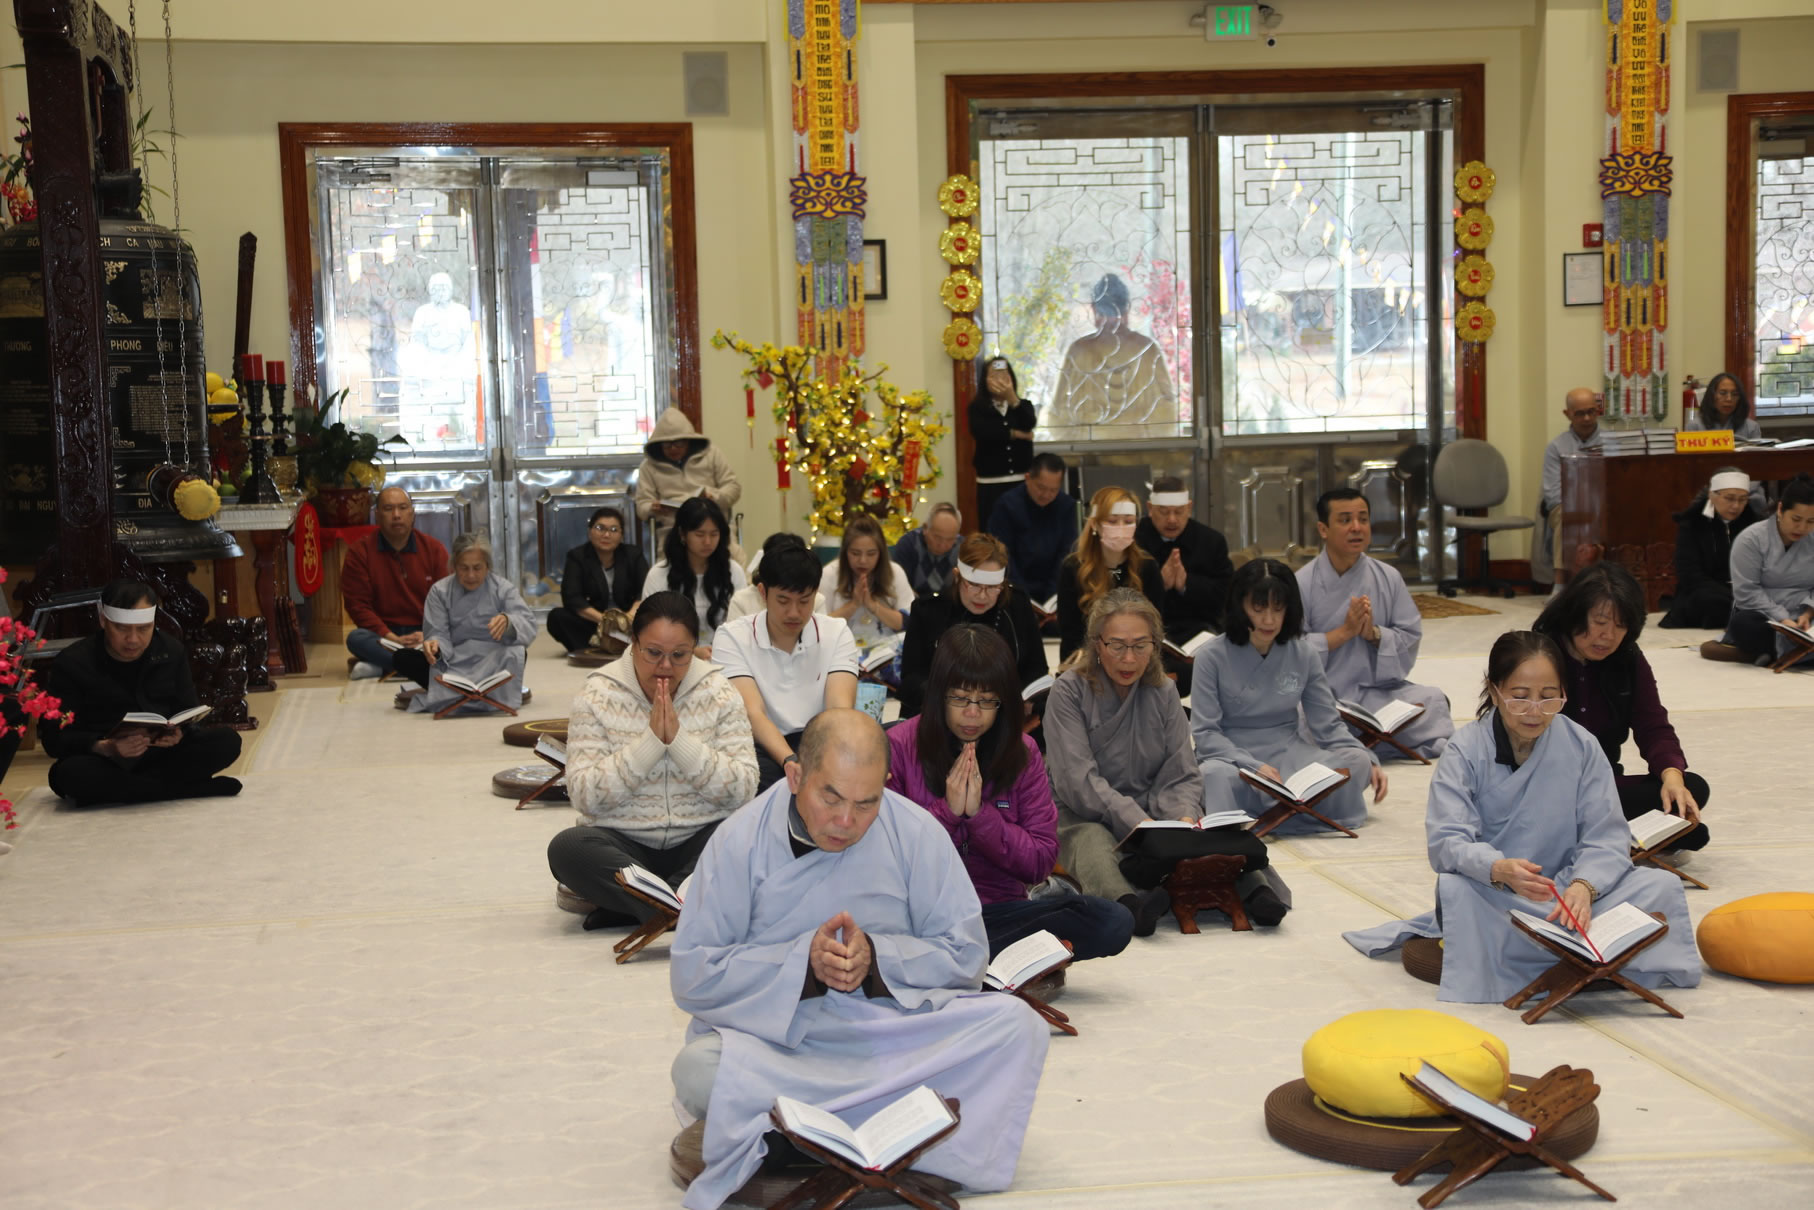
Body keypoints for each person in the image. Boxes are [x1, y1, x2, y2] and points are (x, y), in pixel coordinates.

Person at [668, 710, 1049, 1210]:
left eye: (866, 803)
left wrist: (879, 960)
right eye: (831, 798)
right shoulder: (739, 841)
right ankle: (903, 1131)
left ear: (886, 785)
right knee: (698, 1071)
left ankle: (797, 1133)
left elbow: (966, 956)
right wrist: (802, 965)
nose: (846, 821)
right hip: (785, 1044)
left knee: (1017, 1025)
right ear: (795, 776)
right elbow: (694, 974)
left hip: (890, 1035)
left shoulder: (917, 832)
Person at [1342, 631, 1702, 1005]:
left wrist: (1585, 885)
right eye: (1520, 696)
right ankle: (1592, 955)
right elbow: (1447, 842)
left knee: (1659, 886)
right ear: (1495, 690)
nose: (1535, 710)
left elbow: (1607, 836)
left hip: (1571, 892)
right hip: (1500, 894)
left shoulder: (1582, 746)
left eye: (1549, 697)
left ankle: (1542, 954)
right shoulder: (1465, 750)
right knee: (1457, 891)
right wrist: (1498, 868)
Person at [1046, 590, 1290, 934]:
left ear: (1155, 645)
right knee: (1092, 843)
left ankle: (1256, 893)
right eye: (1117, 646)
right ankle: (1129, 906)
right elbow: (1077, 780)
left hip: (1153, 805)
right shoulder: (1069, 692)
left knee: (1208, 833)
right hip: (1083, 810)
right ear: (1097, 644)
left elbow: (1181, 770)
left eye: (1140, 645)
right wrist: (1138, 822)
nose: (1129, 658)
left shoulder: (1162, 690)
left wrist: (1182, 817)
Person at [887, 624, 1134, 961]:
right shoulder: (899, 747)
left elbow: (1039, 863)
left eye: (987, 701)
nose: (973, 713)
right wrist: (948, 813)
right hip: (922, 916)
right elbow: (890, 861)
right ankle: (986, 959)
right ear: (938, 694)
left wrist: (980, 817)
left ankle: (964, 958)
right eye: (960, 698)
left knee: (1111, 920)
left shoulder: (1023, 753)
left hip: (999, 914)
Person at [547, 591, 758, 933]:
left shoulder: (719, 692)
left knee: (749, 836)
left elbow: (744, 788)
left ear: (695, 648)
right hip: (622, 843)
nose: (665, 667)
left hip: (699, 840)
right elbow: (583, 794)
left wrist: (680, 742)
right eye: (654, 653)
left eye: (679, 655)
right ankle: (682, 903)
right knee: (567, 849)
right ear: (633, 644)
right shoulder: (597, 694)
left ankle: (642, 906)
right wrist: (650, 745)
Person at [1192, 559, 1385, 833]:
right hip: (1233, 757)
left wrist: (1367, 757)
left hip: (1291, 753)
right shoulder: (1210, 656)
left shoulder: (1304, 653)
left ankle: (1277, 814)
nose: (1269, 620)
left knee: (1357, 762)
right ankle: (1296, 812)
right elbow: (1206, 734)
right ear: (1239, 606)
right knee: (1211, 775)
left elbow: (1328, 725)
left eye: (1278, 608)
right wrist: (1254, 767)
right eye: (1258, 609)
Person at [1534, 563, 1711, 851]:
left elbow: (1653, 725)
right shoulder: (1538, 653)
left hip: (1604, 787)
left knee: (1692, 788)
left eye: (1620, 626)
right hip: (1543, 788)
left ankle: (1596, 832)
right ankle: (1627, 835)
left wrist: (1672, 776)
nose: (1609, 636)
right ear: (1574, 613)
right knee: (1690, 832)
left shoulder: (1628, 658)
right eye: (1600, 622)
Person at [39, 580, 242, 807]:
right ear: (103, 620)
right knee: (70, 774)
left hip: (162, 757)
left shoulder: (171, 650)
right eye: (122, 628)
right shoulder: (73, 662)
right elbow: (53, 738)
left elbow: (187, 714)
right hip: (107, 761)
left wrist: (178, 734)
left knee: (227, 741)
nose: (133, 639)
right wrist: (105, 746)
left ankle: (135, 790)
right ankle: (187, 790)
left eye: (144, 628)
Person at [1297, 488, 1454, 759]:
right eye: (1345, 520)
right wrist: (1343, 633)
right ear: (1323, 529)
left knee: (1433, 700)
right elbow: (1288, 650)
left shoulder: (1388, 577)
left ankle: (1353, 743)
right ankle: (1378, 741)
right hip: (1324, 697)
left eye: (1363, 519)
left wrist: (1375, 634)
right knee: (1296, 719)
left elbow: (1410, 634)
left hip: (1377, 693)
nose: (1356, 528)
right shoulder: (1301, 582)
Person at [712, 545, 859, 791]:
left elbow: (840, 709)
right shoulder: (732, 637)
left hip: (820, 740)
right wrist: (791, 761)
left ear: (816, 594)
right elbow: (752, 713)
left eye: (804, 601)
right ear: (763, 592)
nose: (794, 612)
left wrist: (821, 761)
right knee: (760, 779)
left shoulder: (836, 632)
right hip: (760, 743)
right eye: (783, 600)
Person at [899, 534, 1049, 720]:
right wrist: (949, 698)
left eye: (992, 587)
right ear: (957, 576)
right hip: (942, 713)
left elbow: (1037, 668)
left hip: (1005, 713)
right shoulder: (929, 611)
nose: (982, 596)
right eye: (974, 585)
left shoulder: (1016, 604)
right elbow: (910, 679)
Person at [398, 533, 536, 714]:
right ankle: (491, 692)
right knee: (403, 658)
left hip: (492, 660)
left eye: (477, 568)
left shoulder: (503, 589)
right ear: (454, 565)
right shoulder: (439, 591)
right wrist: (435, 647)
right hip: (453, 662)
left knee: (517, 652)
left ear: (487, 566)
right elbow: (437, 633)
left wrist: (509, 622)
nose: (471, 575)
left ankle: (453, 694)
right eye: (464, 568)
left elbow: (528, 624)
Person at [1703, 472, 1814, 667]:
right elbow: (1746, 591)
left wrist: (1807, 613)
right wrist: (1783, 619)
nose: (1802, 527)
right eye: (1796, 519)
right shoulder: (1751, 539)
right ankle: (1797, 653)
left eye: (1811, 521)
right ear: (1780, 509)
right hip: (1766, 616)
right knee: (1744, 624)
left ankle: (1769, 653)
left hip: (1806, 617)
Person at [1047, 273, 1177, 437]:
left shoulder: (1147, 351)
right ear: (1127, 308)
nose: (1110, 322)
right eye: (1106, 313)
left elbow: (1058, 419)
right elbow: (1059, 417)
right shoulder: (1146, 350)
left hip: (1125, 448)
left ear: (1093, 309)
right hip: (1108, 449)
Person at [343, 486, 449, 679]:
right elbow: (358, 606)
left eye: (402, 507)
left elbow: (447, 602)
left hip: (425, 632)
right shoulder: (360, 552)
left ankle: (383, 667)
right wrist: (392, 637)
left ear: (412, 513)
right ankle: (420, 666)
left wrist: (428, 634)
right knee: (356, 639)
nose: (397, 515)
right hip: (384, 635)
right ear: (377, 515)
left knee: (462, 634)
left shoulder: (434, 549)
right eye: (388, 509)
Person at [1055, 486, 1162, 661]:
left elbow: (1155, 629)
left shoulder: (1147, 566)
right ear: (1095, 524)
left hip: (1135, 660)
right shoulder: (1073, 568)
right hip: (1087, 662)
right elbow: (1070, 633)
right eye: (1112, 521)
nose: (1121, 528)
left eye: (1128, 521)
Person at [641, 497, 747, 659]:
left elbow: (742, 624)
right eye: (699, 534)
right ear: (682, 534)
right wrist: (690, 650)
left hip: (725, 656)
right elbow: (649, 628)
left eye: (714, 534)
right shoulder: (659, 575)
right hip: (673, 658)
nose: (707, 542)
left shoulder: (734, 571)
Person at [1659, 468, 1765, 630]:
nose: (1736, 506)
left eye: (1742, 499)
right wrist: (1732, 596)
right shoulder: (1692, 523)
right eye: (1729, 498)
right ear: (1712, 495)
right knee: (1713, 602)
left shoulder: (1754, 523)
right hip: (1704, 590)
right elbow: (1689, 574)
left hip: (1743, 590)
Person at [1135, 475, 1233, 644]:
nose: (1172, 519)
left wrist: (1186, 584)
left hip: (1200, 630)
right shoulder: (1134, 541)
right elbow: (1120, 593)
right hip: (1145, 630)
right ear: (1150, 508)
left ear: (1189, 508)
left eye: (1179, 511)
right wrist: (1158, 583)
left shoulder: (1211, 541)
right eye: (1164, 512)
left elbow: (1227, 595)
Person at [635, 405, 743, 548]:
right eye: (667, 444)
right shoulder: (648, 466)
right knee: (669, 559)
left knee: (733, 557)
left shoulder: (712, 454)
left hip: (714, 527)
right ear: (659, 444)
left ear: (688, 440)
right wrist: (652, 508)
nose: (673, 448)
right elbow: (642, 505)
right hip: (672, 530)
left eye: (679, 443)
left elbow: (733, 488)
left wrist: (713, 497)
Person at [545, 506, 649, 653]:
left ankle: (618, 644)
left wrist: (628, 618)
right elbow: (572, 597)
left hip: (629, 621)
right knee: (557, 617)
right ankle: (596, 647)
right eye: (600, 528)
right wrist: (606, 621)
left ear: (621, 535)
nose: (606, 535)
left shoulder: (634, 555)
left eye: (614, 530)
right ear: (590, 531)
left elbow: (644, 590)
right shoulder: (577, 557)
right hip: (594, 621)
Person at [1534, 387, 1605, 587]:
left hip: (1603, 506)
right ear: (1567, 414)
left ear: (1598, 410)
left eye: (1591, 411)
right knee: (1568, 517)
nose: (1587, 418)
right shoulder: (1556, 447)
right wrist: (1579, 508)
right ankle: (1560, 585)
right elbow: (1553, 494)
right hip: (1566, 506)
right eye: (1580, 413)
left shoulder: (1612, 442)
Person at [987, 452, 1078, 606]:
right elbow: (1002, 554)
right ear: (1028, 478)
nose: (1046, 495)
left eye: (1053, 490)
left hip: (1054, 590)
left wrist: (1052, 597)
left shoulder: (1066, 506)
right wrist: (1023, 597)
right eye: (1041, 487)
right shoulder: (1006, 505)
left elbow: (1066, 554)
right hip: (1013, 589)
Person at [820, 514, 914, 660]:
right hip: (842, 652)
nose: (863, 561)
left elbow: (907, 622)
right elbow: (820, 626)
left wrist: (872, 605)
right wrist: (854, 604)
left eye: (871, 554)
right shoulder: (829, 574)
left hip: (886, 653)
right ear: (845, 552)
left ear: (880, 553)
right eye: (855, 553)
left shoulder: (895, 572)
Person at [970, 357, 1038, 530]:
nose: (1000, 380)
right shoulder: (977, 408)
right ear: (985, 380)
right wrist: (1015, 434)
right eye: (994, 376)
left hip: (1021, 481)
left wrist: (1012, 398)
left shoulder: (1023, 405)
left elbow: (1029, 422)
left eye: (1004, 375)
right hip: (990, 483)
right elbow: (983, 432)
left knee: (1023, 530)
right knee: (993, 531)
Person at [727, 532, 823, 621]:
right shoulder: (741, 600)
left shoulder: (816, 599)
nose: (793, 614)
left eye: (803, 601)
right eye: (783, 601)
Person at [891, 502, 962, 598]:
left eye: (950, 539)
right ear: (925, 528)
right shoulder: (908, 544)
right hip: (914, 602)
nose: (942, 545)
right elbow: (899, 585)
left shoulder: (963, 548)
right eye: (937, 537)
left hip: (950, 603)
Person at [1685, 373, 1763, 442]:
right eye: (1722, 393)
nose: (1729, 399)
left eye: (1735, 394)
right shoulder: (1695, 426)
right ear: (1712, 395)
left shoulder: (1752, 427)